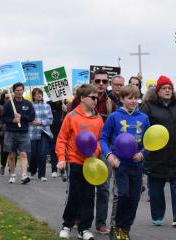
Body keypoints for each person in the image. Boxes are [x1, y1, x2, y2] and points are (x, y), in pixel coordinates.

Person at [140, 75, 176, 228]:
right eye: (164, 88)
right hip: (156, 154)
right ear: (157, 91)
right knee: (156, 187)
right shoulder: (148, 106)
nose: (167, 90)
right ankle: (157, 215)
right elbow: (142, 127)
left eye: (169, 88)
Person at [69, 70, 117, 234]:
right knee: (80, 187)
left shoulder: (112, 102)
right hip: (81, 151)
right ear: (93, 81)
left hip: (103, 148)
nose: (101, 84)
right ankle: (78, 218)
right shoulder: (79, 100)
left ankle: (101, 223)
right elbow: (69, 124)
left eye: (105, 81)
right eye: (98, 81)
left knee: (103, 187)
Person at [100, 84, 150, 240]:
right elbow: (102, 139)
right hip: (120, 164)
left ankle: (125, 229)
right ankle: (116, 228)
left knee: (134, 198)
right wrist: (109, 156)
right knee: (123, 195)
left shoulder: (143, 117)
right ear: (121, 99)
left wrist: (143, 154)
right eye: (129, 98)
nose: (133, 101)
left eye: (136, 98)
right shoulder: (114, 117)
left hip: (137, 165)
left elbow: (149, 141)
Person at [56, 84, 104, 240]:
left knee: (89, 195)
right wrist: (61, 158)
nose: (96, 100)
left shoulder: (98, 119)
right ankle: (67, 225)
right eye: (93, 97)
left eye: (97, 98)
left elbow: (99, 140)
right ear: (82, 98)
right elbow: (62, 139)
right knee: (74, 194)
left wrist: (95, 153)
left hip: (91, 163)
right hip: (74, 160)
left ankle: (85, 228)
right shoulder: (71, 116)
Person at [2, 82, 35, 184]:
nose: (19, 92)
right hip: (10, 132)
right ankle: (12, 174)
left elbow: (32, 117)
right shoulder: (8, 104)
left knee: (24, 154)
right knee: (11, 155)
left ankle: (24, 175)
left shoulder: (28, 104)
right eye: (17, 90)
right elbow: (3, 117)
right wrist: (13, 120)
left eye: (21, 90)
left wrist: (21, 117)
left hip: (23, 132)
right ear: (14, 91)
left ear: (23, 91)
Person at [28, 88, 53, 182]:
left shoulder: (47, 106)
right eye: (37, 94)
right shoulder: (30, 106)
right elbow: (27, 119)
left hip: (44, 132)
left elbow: (50, 120)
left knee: (42, 154)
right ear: (33, 96)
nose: (39, 95)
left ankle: (42, 175)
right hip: (33, 132)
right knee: (33, 154)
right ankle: (32, 172)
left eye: (40, 94)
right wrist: (31, 121)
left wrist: (40, 122)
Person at [47, 100, 67, 178]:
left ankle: (62, 169)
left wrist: (66, 110)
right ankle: (54, 169)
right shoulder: (49, 105)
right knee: (53, 149)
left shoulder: (65, 104)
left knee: (63, 150)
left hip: (63, 131)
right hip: (53, 130)